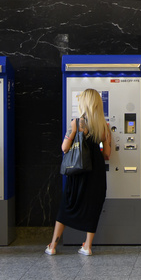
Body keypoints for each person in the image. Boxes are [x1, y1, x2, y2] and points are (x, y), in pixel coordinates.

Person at [46, 88, 111, 256]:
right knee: (93, 206)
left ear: (84, 103)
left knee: (68, 204)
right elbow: (107, 154)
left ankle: (52, 246)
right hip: (96, 173)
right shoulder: (104, 127)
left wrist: (74, 131)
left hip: (79, 171)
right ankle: (87, 247)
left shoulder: (77, 123)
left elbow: (64, 148)